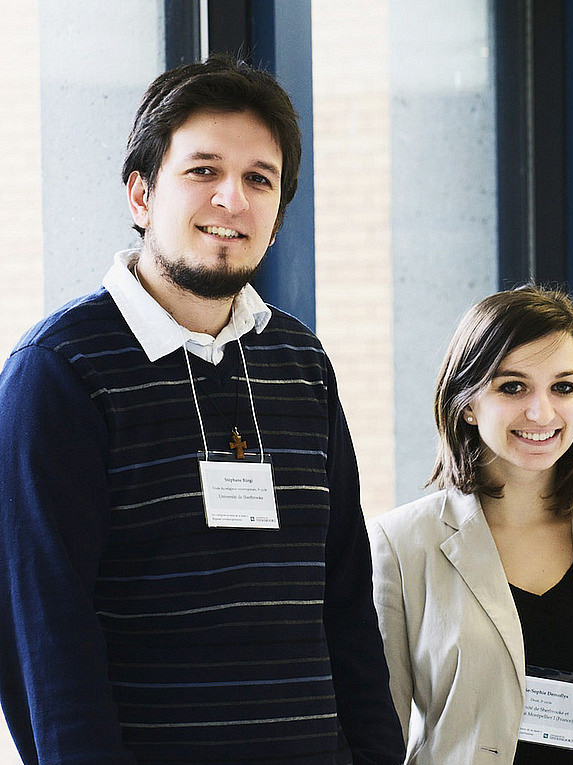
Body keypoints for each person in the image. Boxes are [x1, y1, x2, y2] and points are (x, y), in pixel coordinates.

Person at [0, 55, 404, 764]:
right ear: (140, 195)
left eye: (259, 179)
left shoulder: (300, 363)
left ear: (278, 215)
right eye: (203, 171)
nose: (232, 200)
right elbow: (47, 637)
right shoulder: (59, 373)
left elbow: (343, 603)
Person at [370, 285, 573, 764]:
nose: (541, 412)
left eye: (563, 386)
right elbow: (381, 733)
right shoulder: (400, 545)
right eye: (512, 387)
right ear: (467, 402)